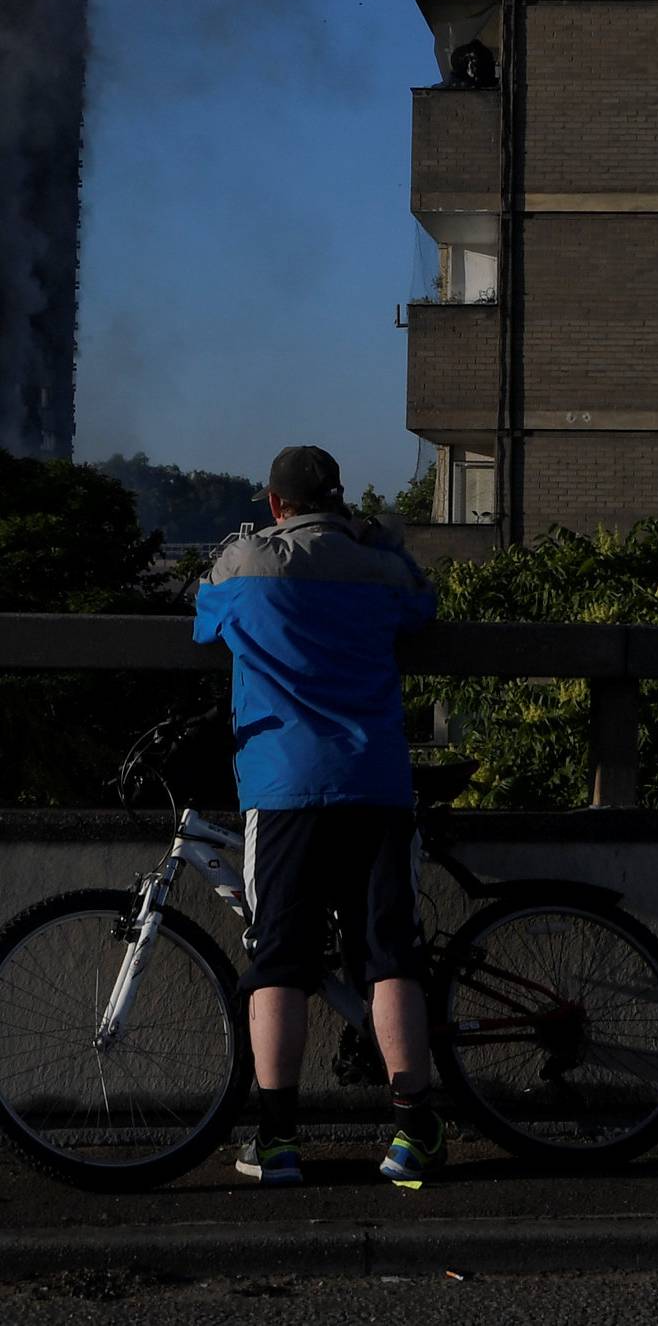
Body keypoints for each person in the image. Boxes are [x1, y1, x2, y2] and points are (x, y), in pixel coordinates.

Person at [193, 445, 443, 1190]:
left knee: (281, 961)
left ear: (277, 504)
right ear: (338, 501)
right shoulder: (377, 567)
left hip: (285, 789)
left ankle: (277, 1143)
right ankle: (413, 1134)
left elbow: (203, 614)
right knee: (388, 955)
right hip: (375, 780)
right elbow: (422, 604)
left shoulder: (248, 565)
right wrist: (380, 539)